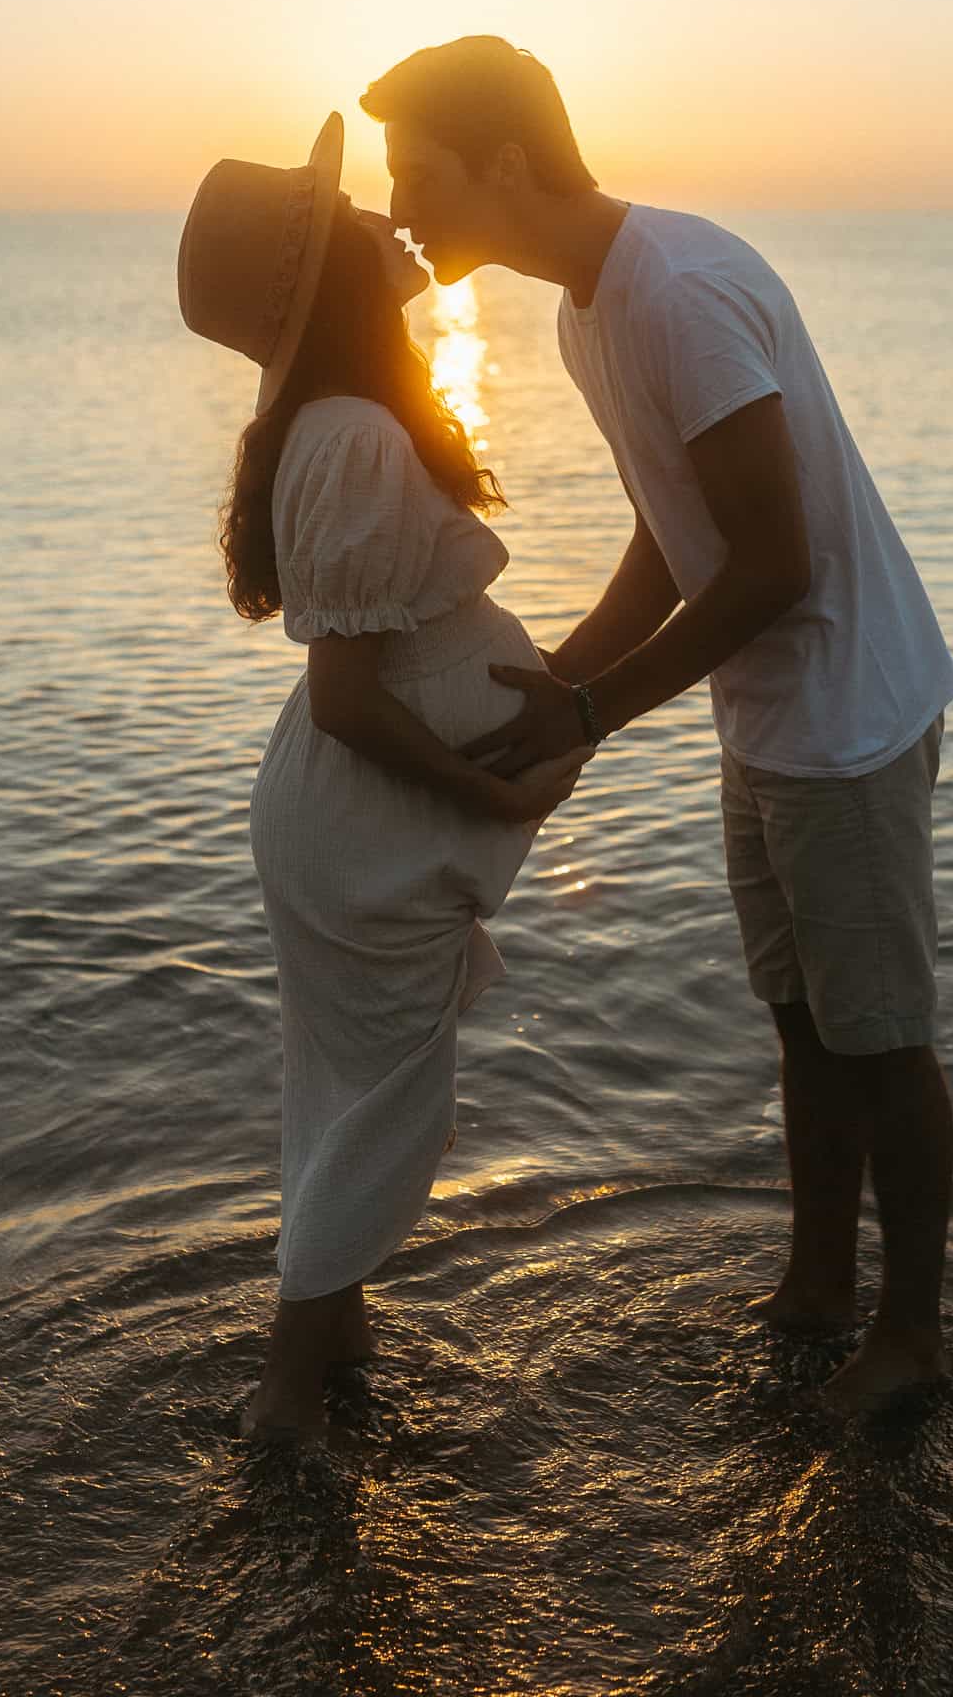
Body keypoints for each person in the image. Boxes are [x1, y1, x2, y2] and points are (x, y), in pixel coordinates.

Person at [360, 40, 953, 1406]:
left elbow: (770, 565)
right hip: (768, 712)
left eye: (418, 171)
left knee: (878, 1035)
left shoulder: (677, 292)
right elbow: (672, 524)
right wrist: (564, 678)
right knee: (805, 1022)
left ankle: (912, 1339)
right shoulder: (590, 307)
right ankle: (817, 1288)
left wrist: (590, 710)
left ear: (503, 162)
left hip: (846, 714)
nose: (402, 202)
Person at [177, 115, 587, 1443]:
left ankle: (337, 1362)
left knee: (343, 1098)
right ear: (327, 274)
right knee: (381, 1116)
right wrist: (497, 795)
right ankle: (287, 1409)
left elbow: (364, 676)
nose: (377, 223)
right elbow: (353, 701)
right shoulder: (351, 431)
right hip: (369, 830)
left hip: (347, 828)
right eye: (345, 220)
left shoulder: (337, 417)